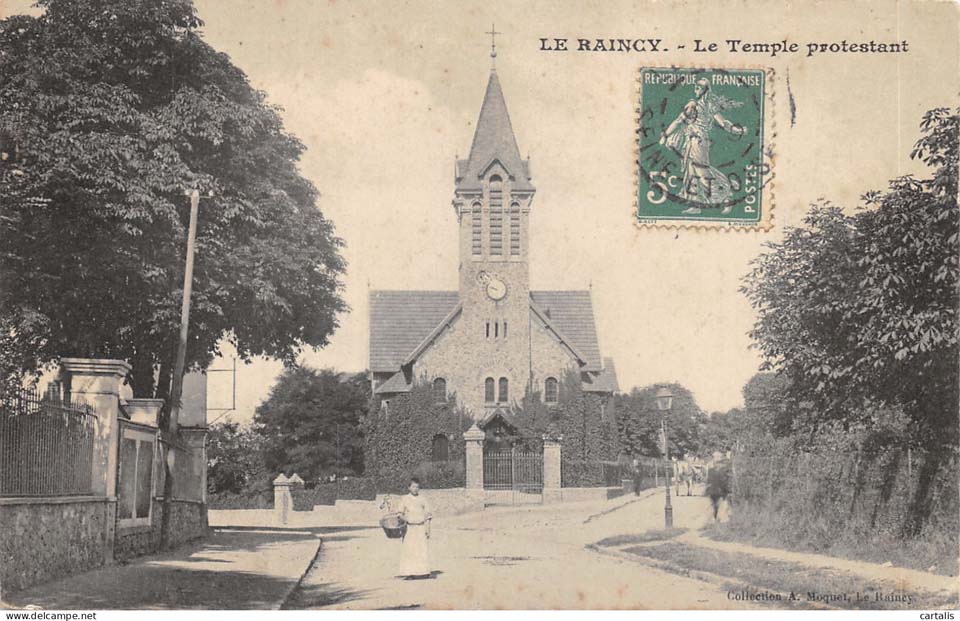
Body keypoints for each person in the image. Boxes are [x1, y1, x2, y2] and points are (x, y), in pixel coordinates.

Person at [659, 77, 746, 215]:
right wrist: (665, 135)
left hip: (700, 143)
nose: (696, 90)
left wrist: (736, 130)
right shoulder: (692, 105)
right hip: (690, 143)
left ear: (705, 90)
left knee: (702, 172)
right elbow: (678, 121)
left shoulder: (709, 106)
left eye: (698, 88)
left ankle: (726, 197)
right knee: (691, 173)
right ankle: (696, 204)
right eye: (695, 87)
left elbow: (723, 122)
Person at [398, 476, 433, 579]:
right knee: (410, 550)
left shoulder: (423, 499)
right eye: (413, 487)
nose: (415, 489)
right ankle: (410, 573)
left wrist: (428, 529)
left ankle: (424, 572)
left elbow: (428, 515)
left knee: (421, 549)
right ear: (409, 487)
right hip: (410, 528)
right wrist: (406, 519)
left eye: (417, 487)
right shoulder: (405, 499)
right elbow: (399, 513)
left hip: (420, 527)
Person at [705, 452, 731, 521]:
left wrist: (707, 488)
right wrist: (727, 489)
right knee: (720, 503)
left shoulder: (710, 468)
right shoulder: (723, 468)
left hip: (713, 489)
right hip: (719, 489)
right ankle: (720, 518)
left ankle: (715, 518)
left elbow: (707, 479)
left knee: (714, 505)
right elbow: (723, 480)